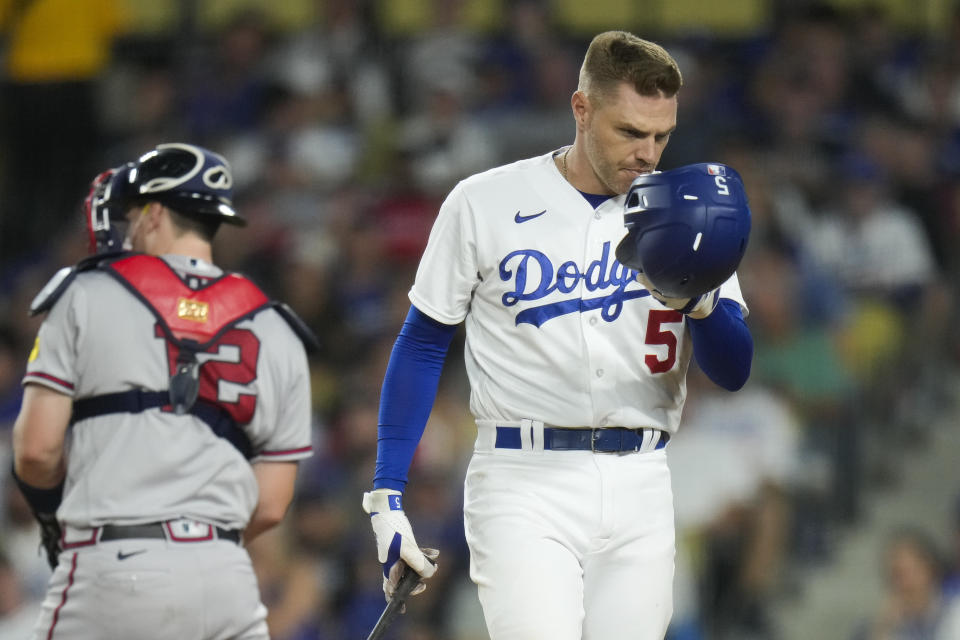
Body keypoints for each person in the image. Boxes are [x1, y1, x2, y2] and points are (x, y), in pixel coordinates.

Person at [362, 31, 753, 639]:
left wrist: (700, 301)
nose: (648, 153)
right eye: (629, 132)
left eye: (661, 136)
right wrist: (387, 493)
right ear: (581, 108)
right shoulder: (484, 201)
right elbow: (421, 341)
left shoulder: (689, 210)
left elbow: (734, 372)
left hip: (641, 482)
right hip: (523, 480)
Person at [12, 142, 315, 639]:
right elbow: (273, 504)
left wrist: (55, 516)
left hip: (115, 563)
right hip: (227, 581)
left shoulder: (88, 294)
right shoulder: (276, 326)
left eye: (131, 214)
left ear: (153, 214)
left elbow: (37, 451)